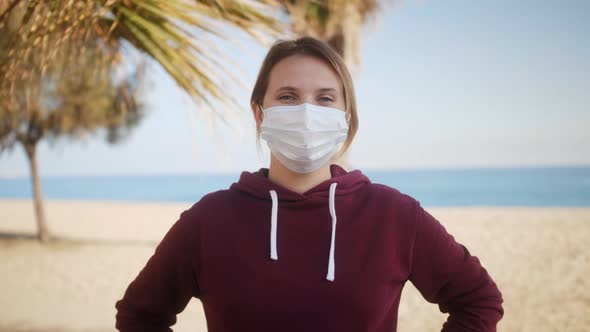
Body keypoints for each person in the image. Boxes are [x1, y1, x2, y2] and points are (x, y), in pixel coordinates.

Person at [115, 36, 504, 332]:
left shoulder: (395, 216)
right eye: (287, 96)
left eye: (324, 99)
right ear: (259, 113)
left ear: (345, 117)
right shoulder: (209, 220)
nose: (306, 112)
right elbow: (139, 315)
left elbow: (479, 300)